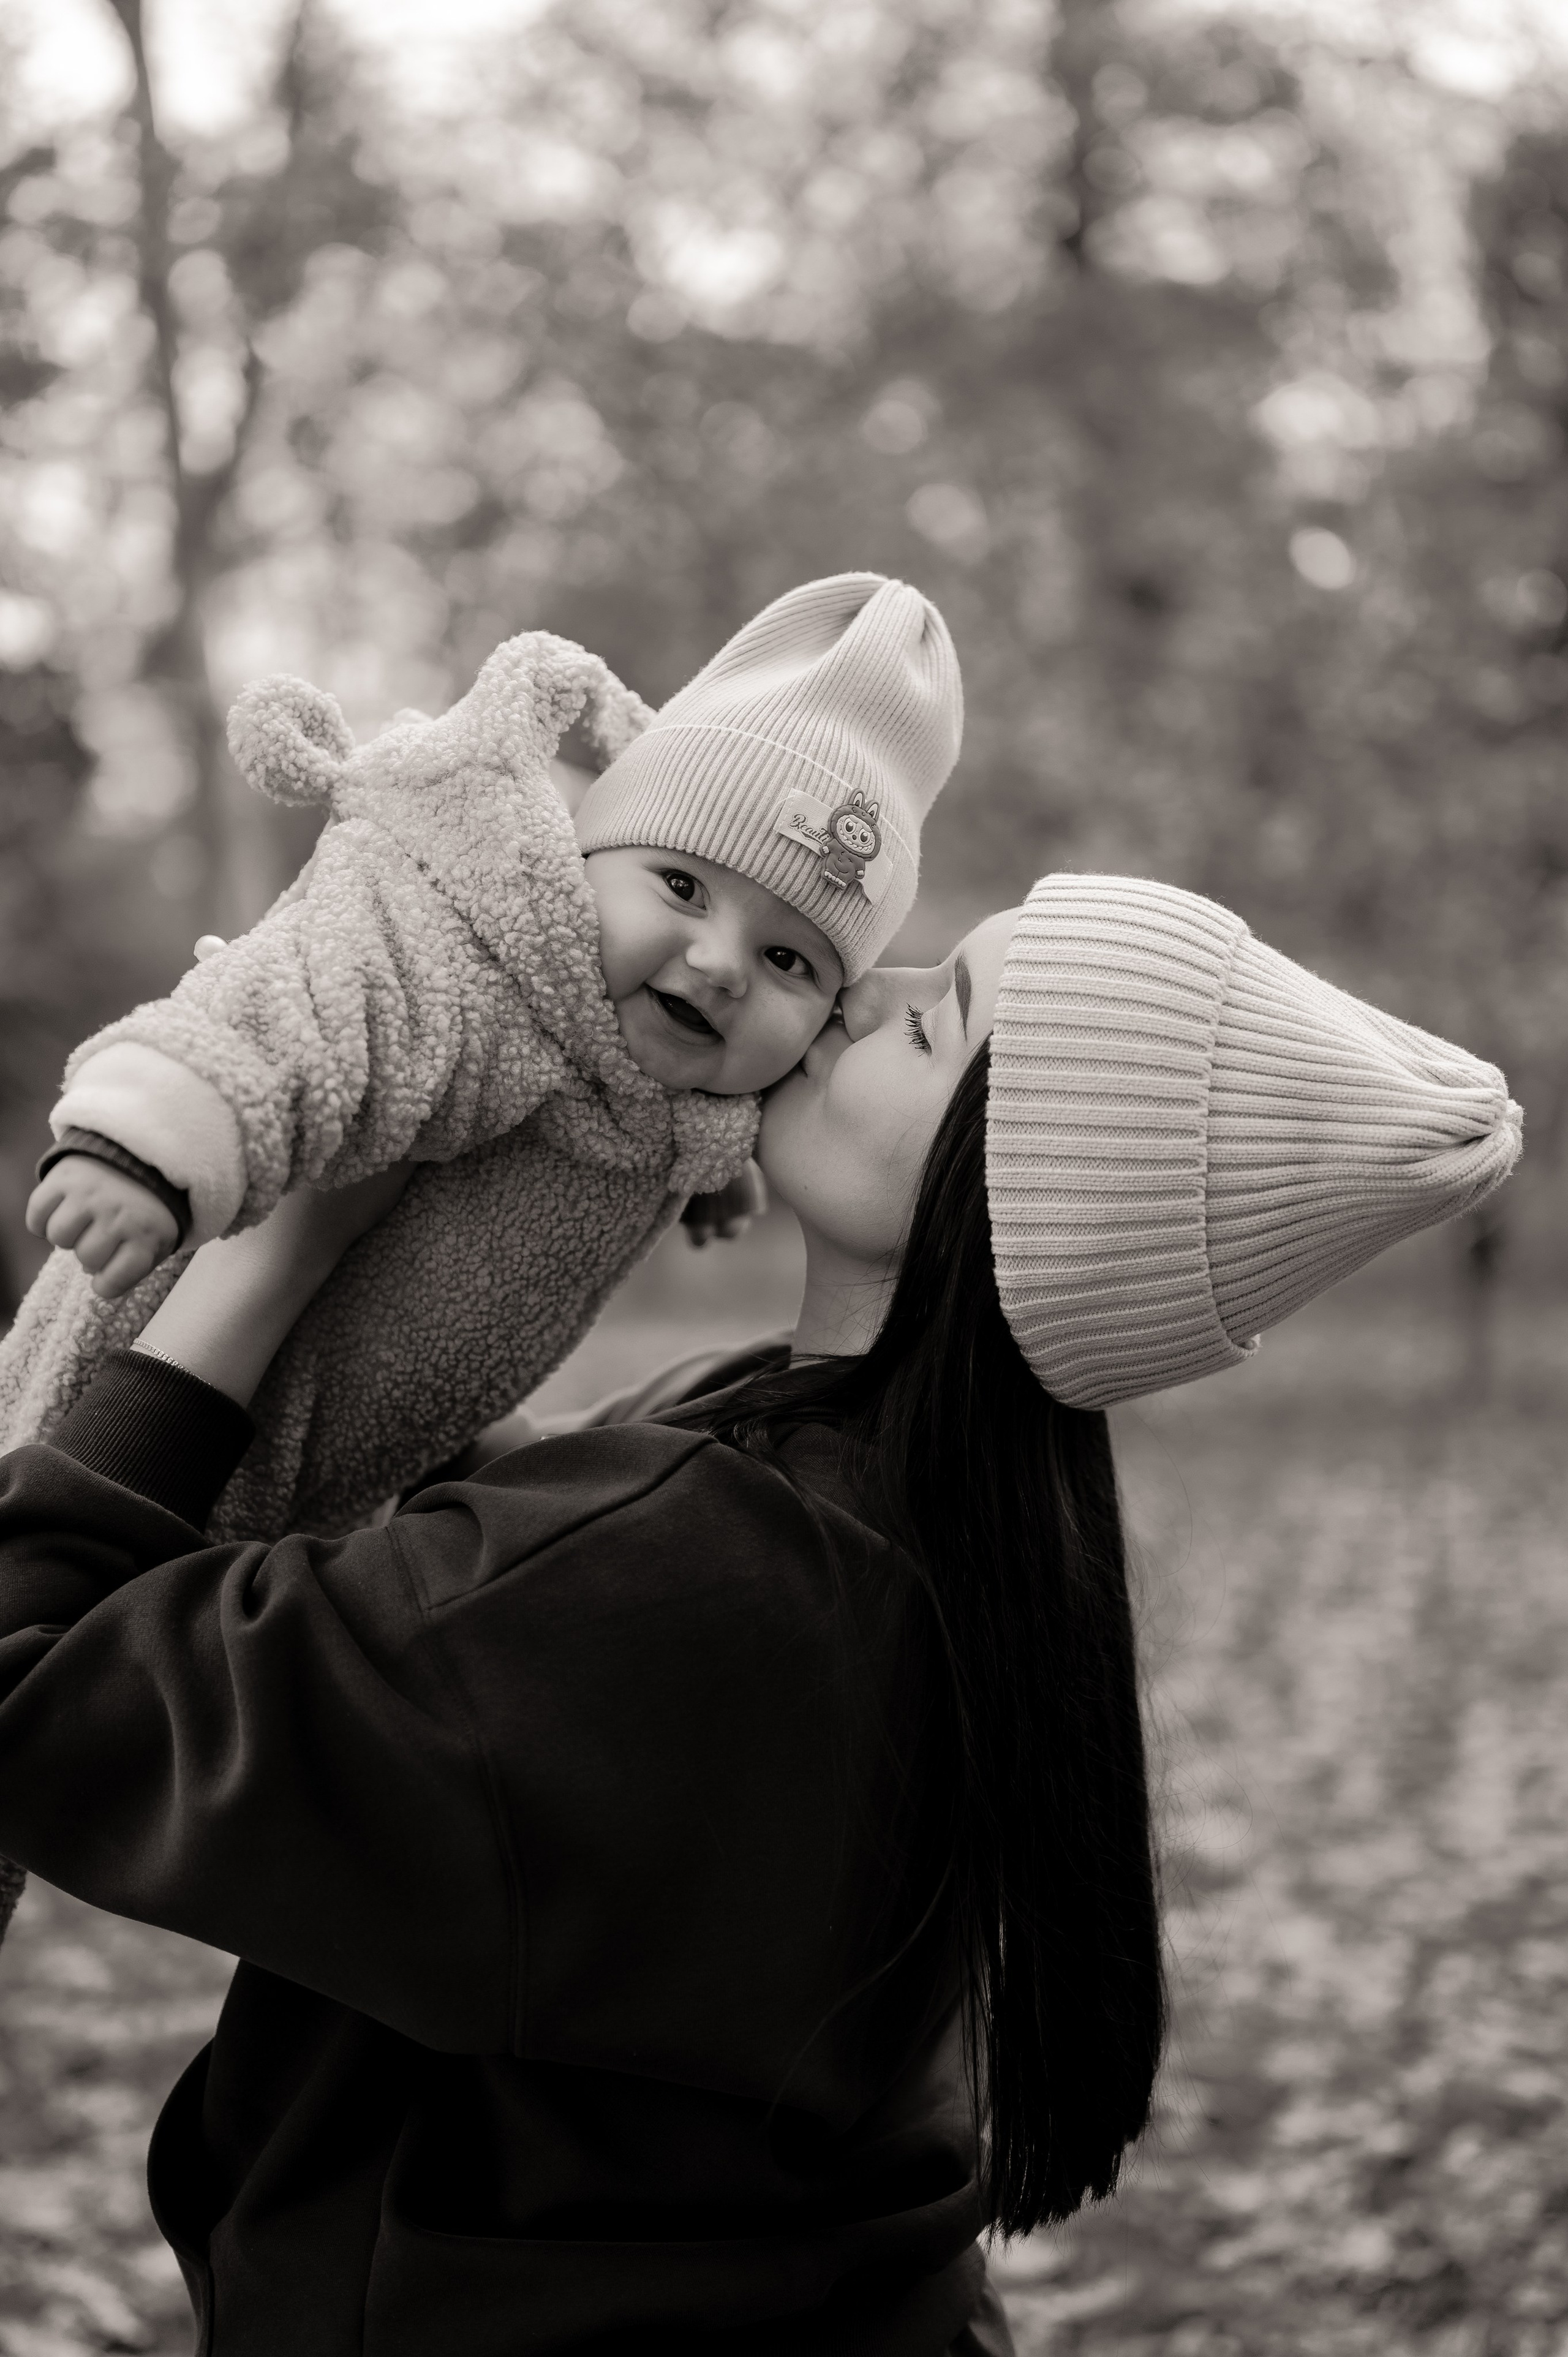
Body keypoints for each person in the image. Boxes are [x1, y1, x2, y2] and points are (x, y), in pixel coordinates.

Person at [0, 873, 1519, 2355]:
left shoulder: (703, 1580)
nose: (869, 987)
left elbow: (40, 1688)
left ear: (1008, 1206)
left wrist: (282, 1247)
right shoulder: (933, 1528)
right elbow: (444, 1529)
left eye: (937, 1022)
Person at [1, 572, 961, 1543]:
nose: (720, 967)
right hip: (145, 1389)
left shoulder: (660, 1077)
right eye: (681, 886)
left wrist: (715, 1165)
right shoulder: (473, 968)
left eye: (787, 959)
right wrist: (148, 1144)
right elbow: (300, 1005)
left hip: (329, 1473)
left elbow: (653, 1103)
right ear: (583, 866)